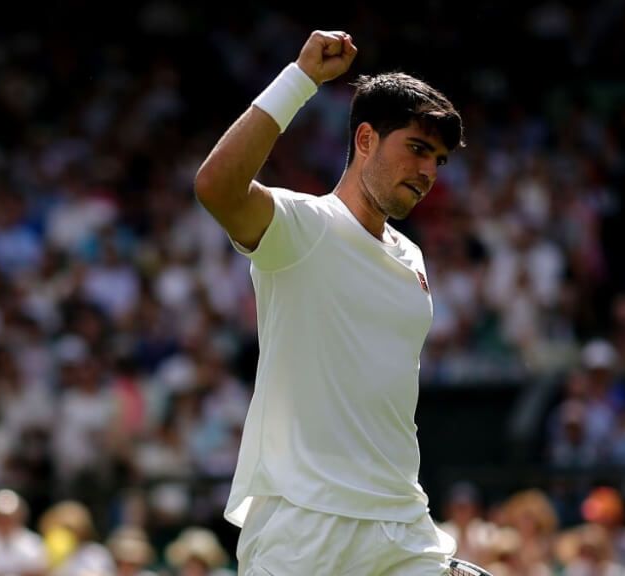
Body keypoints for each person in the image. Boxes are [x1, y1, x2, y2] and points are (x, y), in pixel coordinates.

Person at [194, 29, 465, 574]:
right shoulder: (303, 226)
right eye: (416, 149)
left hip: (401, 526)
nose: (428, 172)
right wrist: (300, 80)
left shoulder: (412, 257)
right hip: (303, 529)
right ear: (365, 140)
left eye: (437, 159)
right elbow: (217, 187)